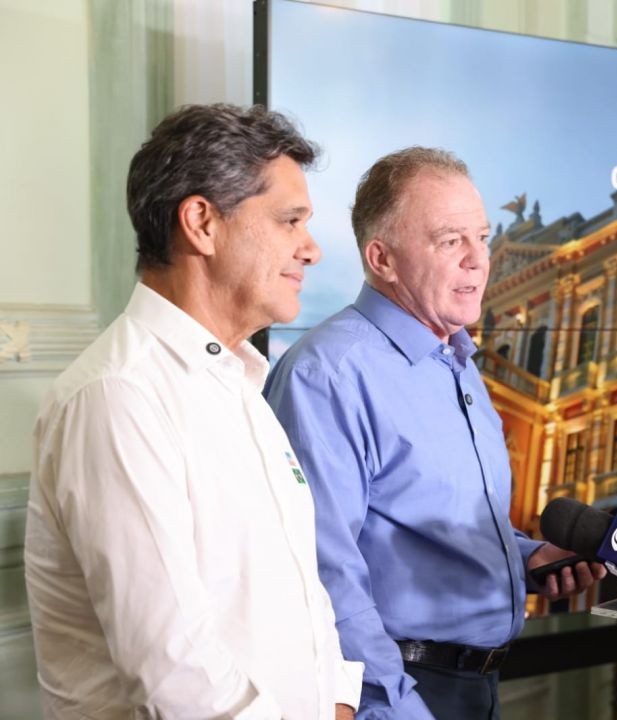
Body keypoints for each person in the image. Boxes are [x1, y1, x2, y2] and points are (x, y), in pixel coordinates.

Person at [23, 104, 363, 719]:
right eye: (290, 221)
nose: (310, 249)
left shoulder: (240, 383)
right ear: (202, 224)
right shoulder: (118, 398)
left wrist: (337, 702)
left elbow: (303, 600)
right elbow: (174, 673)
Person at [264, 147, 605, 719]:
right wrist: (393, 708)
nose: (479, 261)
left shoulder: (458, 360)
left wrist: (526, 556)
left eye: (483, 238)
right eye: (451, 241)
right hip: (401, 692)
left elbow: (422, 524)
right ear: (383, 259)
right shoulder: (327, 374)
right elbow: (323, 575)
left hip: (479, 688)